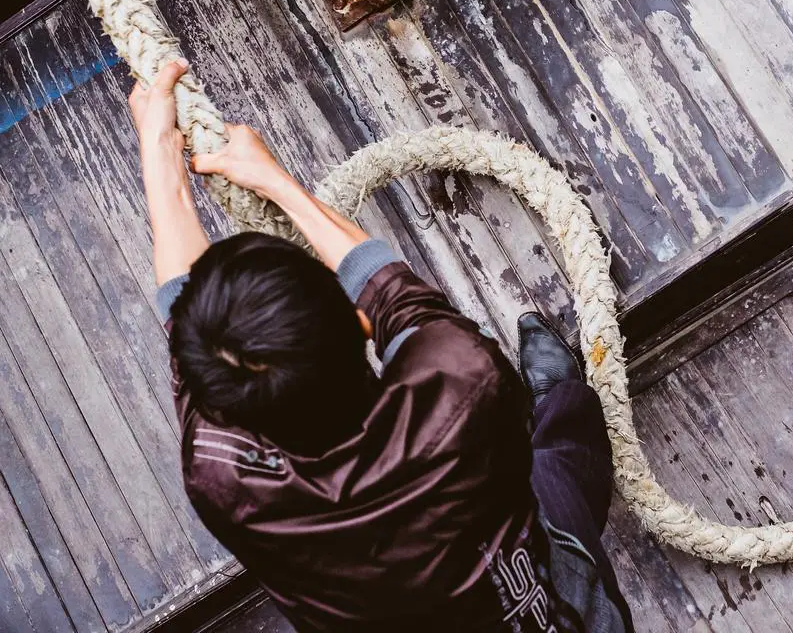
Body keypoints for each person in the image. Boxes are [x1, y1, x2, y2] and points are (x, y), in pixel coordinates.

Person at [130, 60, 633, 632]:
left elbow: (184, 316)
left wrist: (159, 156)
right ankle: (563, 403)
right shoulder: (461, 383)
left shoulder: (219, 477)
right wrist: (278, 184)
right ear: (363, 327)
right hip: (559, 615)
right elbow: (390, 291)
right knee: (557, 463)